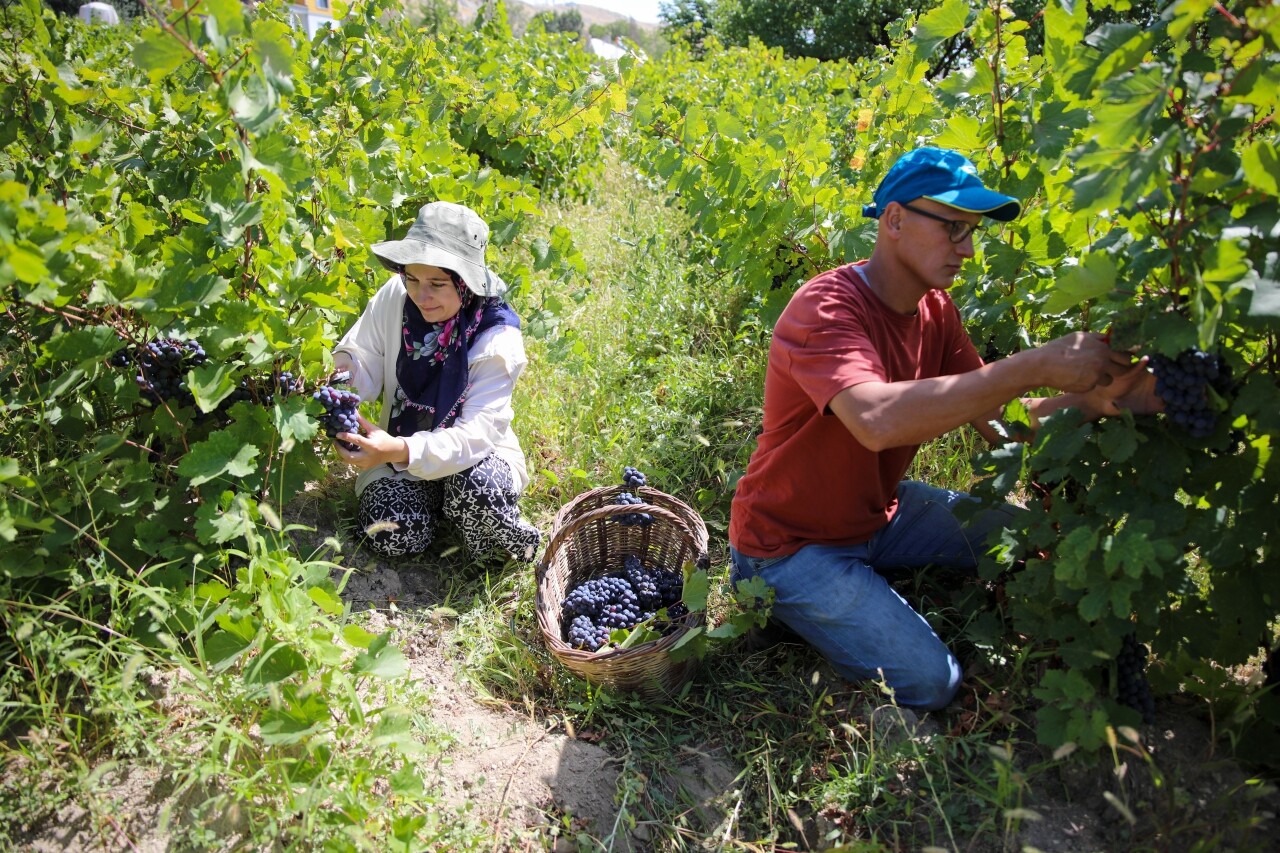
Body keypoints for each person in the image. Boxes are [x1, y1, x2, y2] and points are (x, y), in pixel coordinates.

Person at [727, 147, 1162, 711]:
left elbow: (1001, 423)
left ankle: (858, 582)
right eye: (954, 228)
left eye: (973, 232)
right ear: (894, 220)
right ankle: (780, 606)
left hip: (879, 514)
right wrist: (1030, 363)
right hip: (787, 546)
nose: (968, 249)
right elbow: (877, 420)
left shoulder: (936, 310)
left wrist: (1096, 401)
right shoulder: (826, 308)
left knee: (1030, 538)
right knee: (935, 681)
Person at [328, 201, 541, 563]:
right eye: (412, 278)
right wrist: (342, 384)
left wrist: (397, 450)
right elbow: (362, 356)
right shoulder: (396, 297)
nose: (420, 295)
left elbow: (474, 437)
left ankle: (480, 523)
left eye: (437, 284)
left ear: (465, 283)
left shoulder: (496, 337)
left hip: (473, 456)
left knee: (478, 491)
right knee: (392, 535)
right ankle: (431, 506)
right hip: (398, 445)